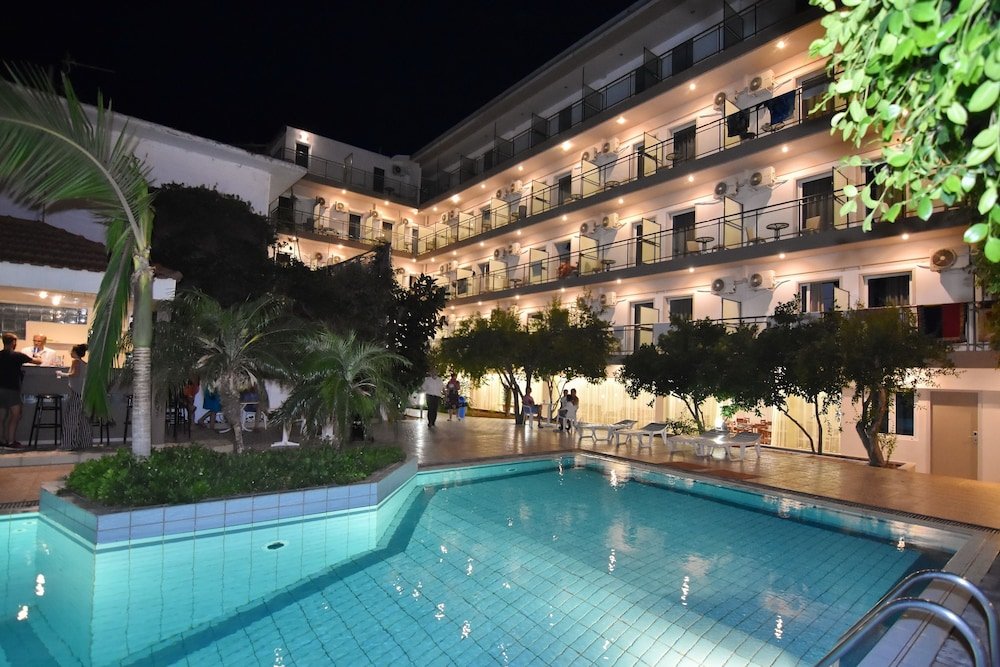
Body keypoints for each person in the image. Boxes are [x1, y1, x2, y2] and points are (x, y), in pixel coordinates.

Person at [1, 332, 42, 448]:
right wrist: (38, 356)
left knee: (1, 417)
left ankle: (1, 440)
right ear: (13, 342)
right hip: (12, 389)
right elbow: (38, 361)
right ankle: (11, 441)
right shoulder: (17, 355)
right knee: (16, 415)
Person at [56, 344, 91, 450]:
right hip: (84, 394)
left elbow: (74, 374)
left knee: (71, 419)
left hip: (76, 394)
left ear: (75, 352)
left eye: (71, 351)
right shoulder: (85, 363)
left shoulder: (76, 361)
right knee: (84, 420)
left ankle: (68, 444)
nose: (70, 353)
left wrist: (61, 374)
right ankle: (85, 443)